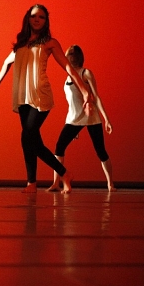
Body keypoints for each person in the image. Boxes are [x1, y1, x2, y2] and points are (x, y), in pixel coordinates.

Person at [0, 5, 91, 193]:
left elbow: (68, 67)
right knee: (33, 140)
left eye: (41, 17)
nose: (37, 19)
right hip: (22, 96)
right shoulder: (22, 43)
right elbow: (7, 61)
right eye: (34, 16)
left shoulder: (50, 43)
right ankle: (43, 180)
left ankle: (51, 177)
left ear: (46, 21)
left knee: (27, 136)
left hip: (39, 95)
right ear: (28, 18)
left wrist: (84, 91)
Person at [47, 45, 114, 193]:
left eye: (73, 53)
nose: (70, 56)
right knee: (59, 147)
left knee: (100, 151)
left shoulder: (86, 73)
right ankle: (56, 183)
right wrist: (74, 128)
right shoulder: (68, 76)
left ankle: (110, 184)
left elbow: (96, 97)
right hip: (73, 118)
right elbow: (72, 102)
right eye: (69, 54)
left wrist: (106, 119)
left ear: (78, 56)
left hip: (91, 117)